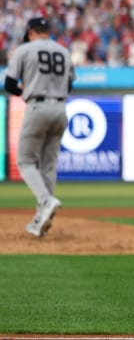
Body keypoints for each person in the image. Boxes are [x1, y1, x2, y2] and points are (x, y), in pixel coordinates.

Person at [4, 17, 75, 237]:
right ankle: (40, 219)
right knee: (48, 165)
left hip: (37, 106)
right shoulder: (64, 51)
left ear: (31, 32)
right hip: (61, 108)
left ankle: (45, 201)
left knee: (25, 161)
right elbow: (70, 84)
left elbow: (8, 84)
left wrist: (25, 91)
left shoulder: (24, 49)